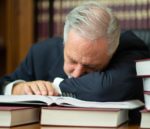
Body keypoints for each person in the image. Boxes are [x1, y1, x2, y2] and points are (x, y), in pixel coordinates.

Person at [0, 2, 149, 103]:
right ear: (65, 42)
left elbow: (109, 88)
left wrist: (54, 88)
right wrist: (17, 88)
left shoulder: (130, 48)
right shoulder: (41, 53)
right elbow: (3, 85)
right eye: (71, 60)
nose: (77, 73)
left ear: (112, 51)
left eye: (91, 67)